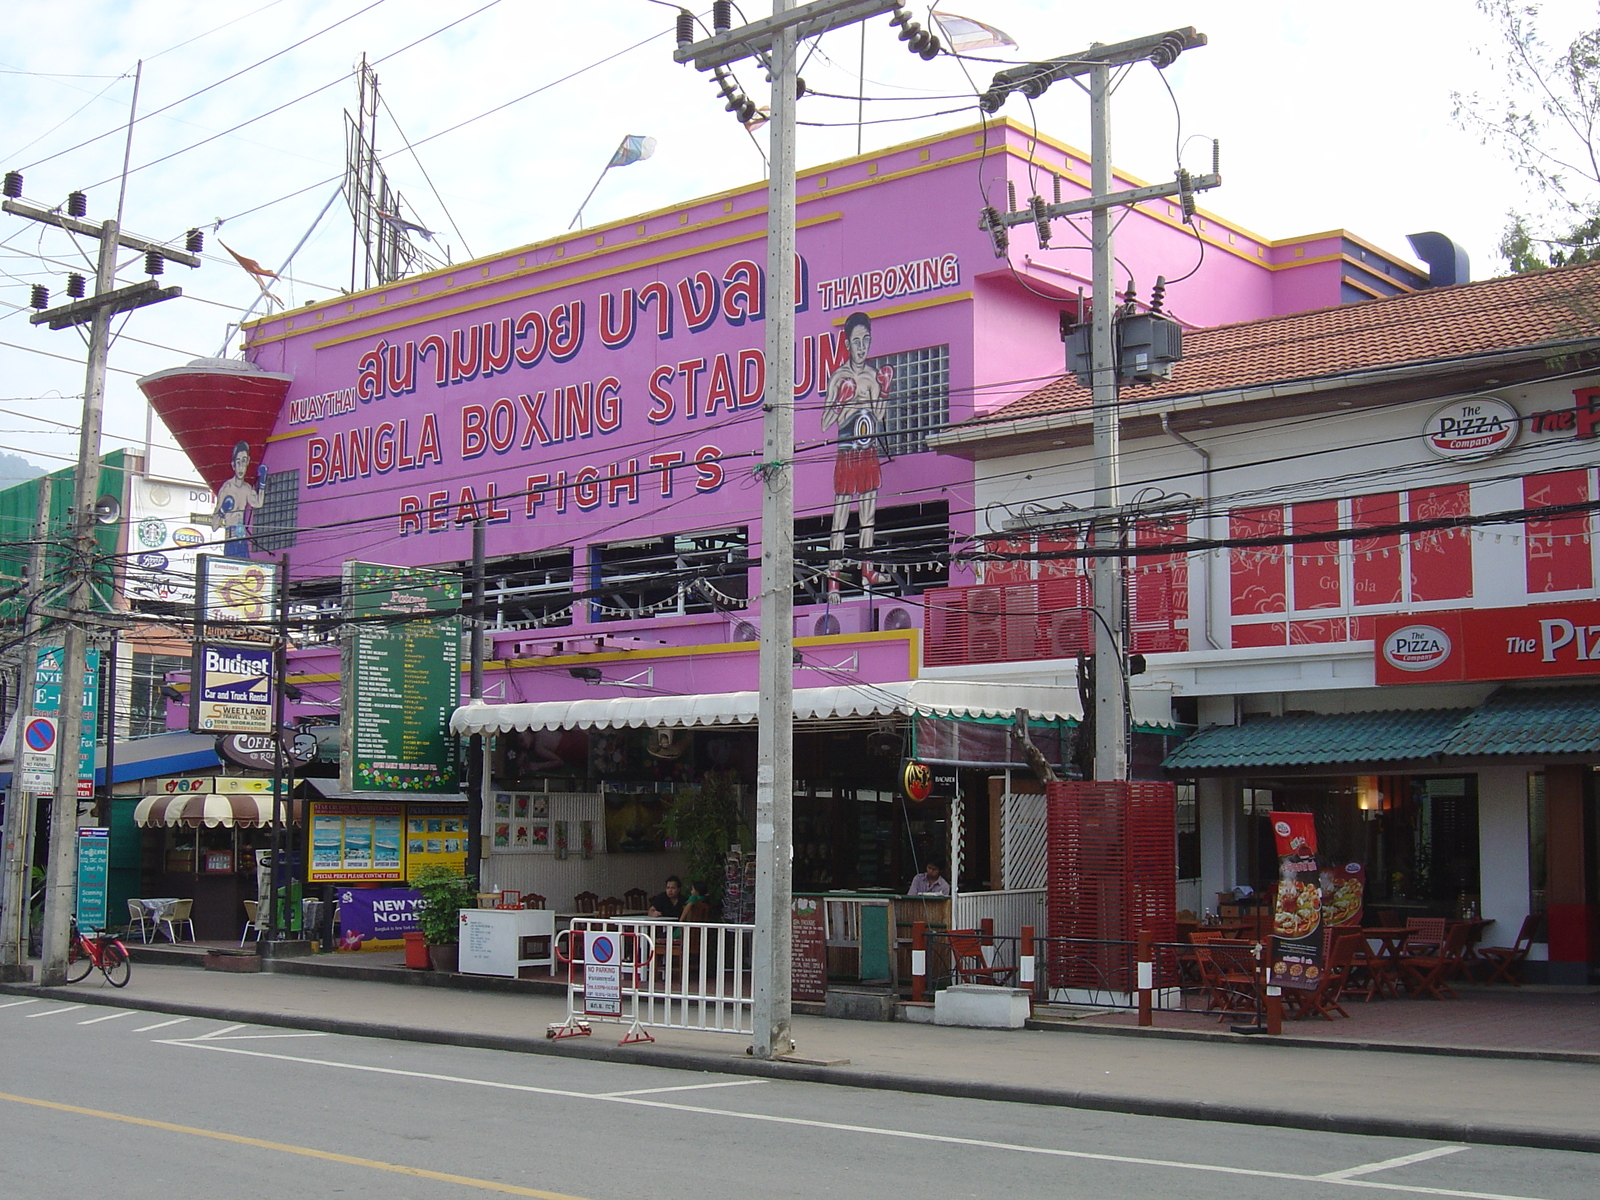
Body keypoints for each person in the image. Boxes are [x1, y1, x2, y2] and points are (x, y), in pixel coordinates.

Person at [820, 311, 894, 594]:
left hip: (868, 449)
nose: (862, 346)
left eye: (866, 340)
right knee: (839, 518)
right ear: (847, 343)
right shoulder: (839, 376)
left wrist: (885, 392)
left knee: (868, 517)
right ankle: (834, 582)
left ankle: (868, 573)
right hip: (846, 449)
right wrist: (840, 401)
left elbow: (879, 415)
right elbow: (825, 421)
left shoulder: (874, 376)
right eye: (856, 341)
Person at [206, 440, 264, 557]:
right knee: (232, 571)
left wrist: (262, 483)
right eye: (238, 462)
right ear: (233, 465)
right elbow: (214, 525)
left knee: (246, 571)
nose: (241, 467)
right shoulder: (227, 488)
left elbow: (258, 503)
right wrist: (222, 511)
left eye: (244, 461)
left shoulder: (247, 488)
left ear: (248, 461)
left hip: (242, 539)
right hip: (230, 538)